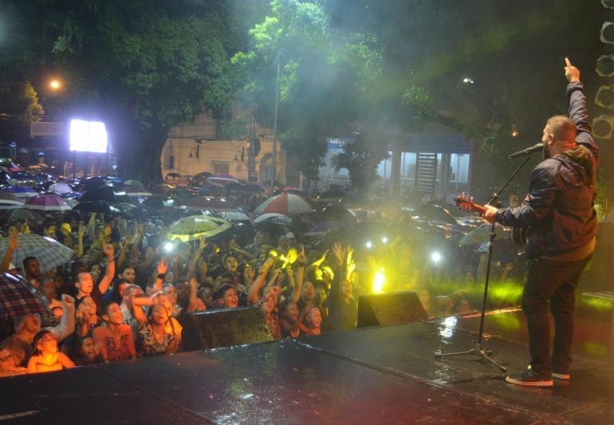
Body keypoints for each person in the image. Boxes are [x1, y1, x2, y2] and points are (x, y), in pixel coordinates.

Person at [484, 58, 598, 387]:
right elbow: (581, 117)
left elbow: (531, 215)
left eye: (544, 134)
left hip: (557, 252)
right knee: (563, 303)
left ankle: (540, 371)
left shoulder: (548, 170)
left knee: (533, 301)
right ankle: (561, 366)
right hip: (583, 246)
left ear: (548, 136)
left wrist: (498, 215)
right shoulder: (588, 150)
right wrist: (574, 81)